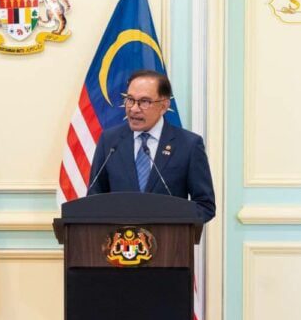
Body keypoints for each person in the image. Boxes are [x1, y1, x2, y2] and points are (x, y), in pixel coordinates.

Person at [87, 70, 216, 223]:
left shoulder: (189, 145)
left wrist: (171, 225)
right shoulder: (109, 141)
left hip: (168, 237)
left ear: (164, 106)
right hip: (119, 237)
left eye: (144, 102)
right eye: (130, 100)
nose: (134, 109)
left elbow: (205, 205)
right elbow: (94, 199)